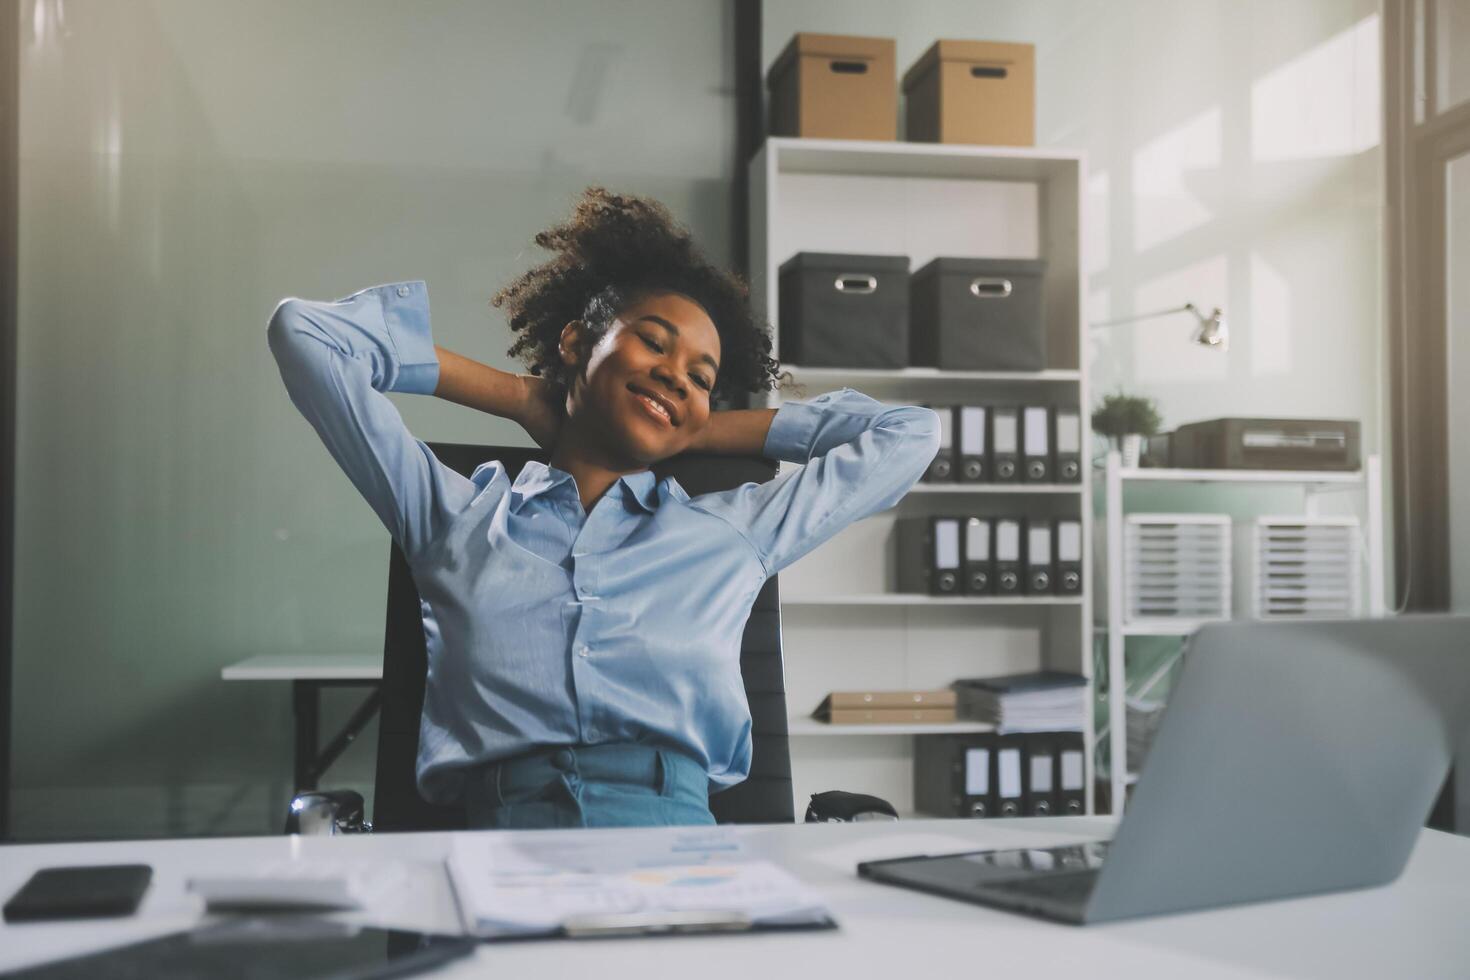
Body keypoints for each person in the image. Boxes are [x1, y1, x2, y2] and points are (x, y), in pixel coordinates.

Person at [266, 187, 940, 830]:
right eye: (654, 342)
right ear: (572, 345)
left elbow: (909, 435)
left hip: (680, 855)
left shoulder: (734, 532)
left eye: (702, 378)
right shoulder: (453, 515)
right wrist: (517, 394)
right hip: (499, 855)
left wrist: (692, 423)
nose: (678, 372)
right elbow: (306, 335)